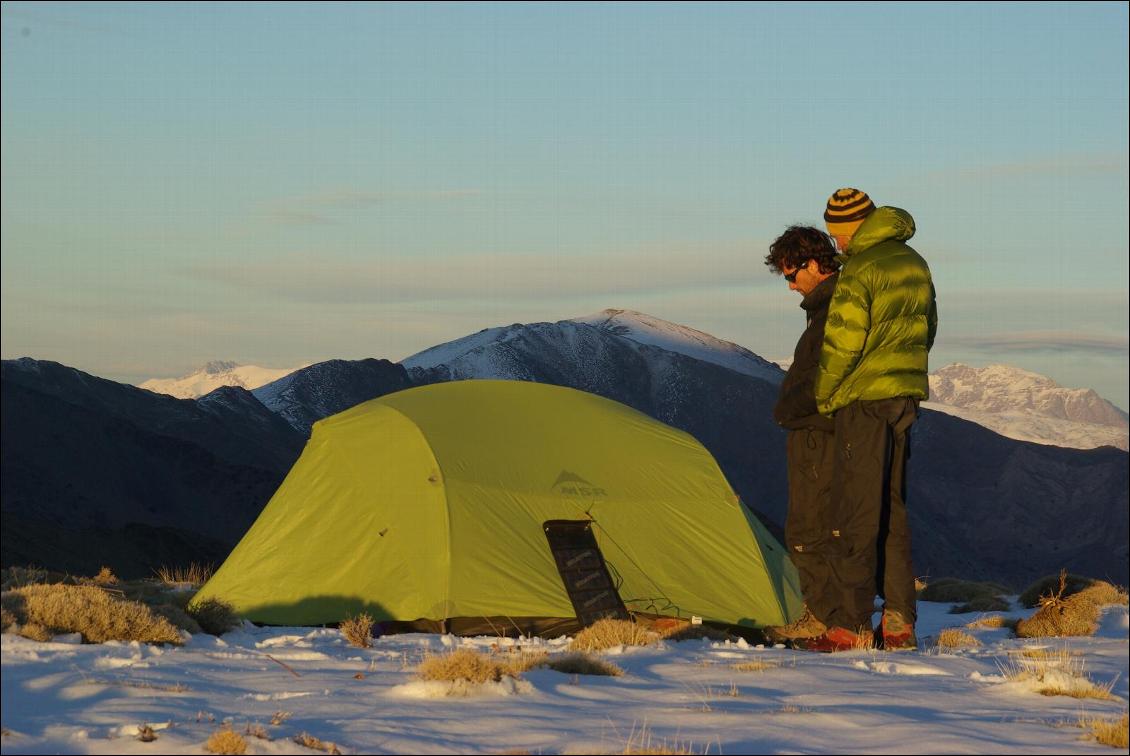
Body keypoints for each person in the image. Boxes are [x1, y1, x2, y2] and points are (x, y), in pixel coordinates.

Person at [799, 188, 938, 652]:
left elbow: (843, 343)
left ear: (854, 227)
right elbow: (928, 327)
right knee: (892, 511)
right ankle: (898, 623)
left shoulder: (862, 268)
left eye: (839, 235)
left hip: (864, 401)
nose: (837, 244)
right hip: (904, 398)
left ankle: (849, 625)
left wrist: (826, 395)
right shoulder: (913, 262)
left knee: (855, 514)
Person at [760, 226, 842, 644]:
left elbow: (823, 374)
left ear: (813, 264)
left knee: (809, 525)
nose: (790, 286)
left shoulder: (833, 310)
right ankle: (835, 616)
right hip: (822, 427)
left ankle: (823, 618)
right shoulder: (828, 307)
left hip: (817, 430)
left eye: (792, 275)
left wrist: (793, 409)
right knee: (822, 523)